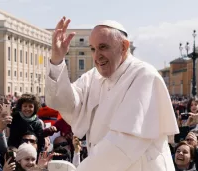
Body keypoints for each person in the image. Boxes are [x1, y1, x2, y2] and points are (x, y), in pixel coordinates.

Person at [45, 17, 179, 170]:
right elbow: (64, 103)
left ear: (123, 46)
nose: (97, 56)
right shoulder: (93, 77)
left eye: (103, 47)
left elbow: (123, 143)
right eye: (93, 49)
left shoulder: (144, 75)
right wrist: (57, 60)